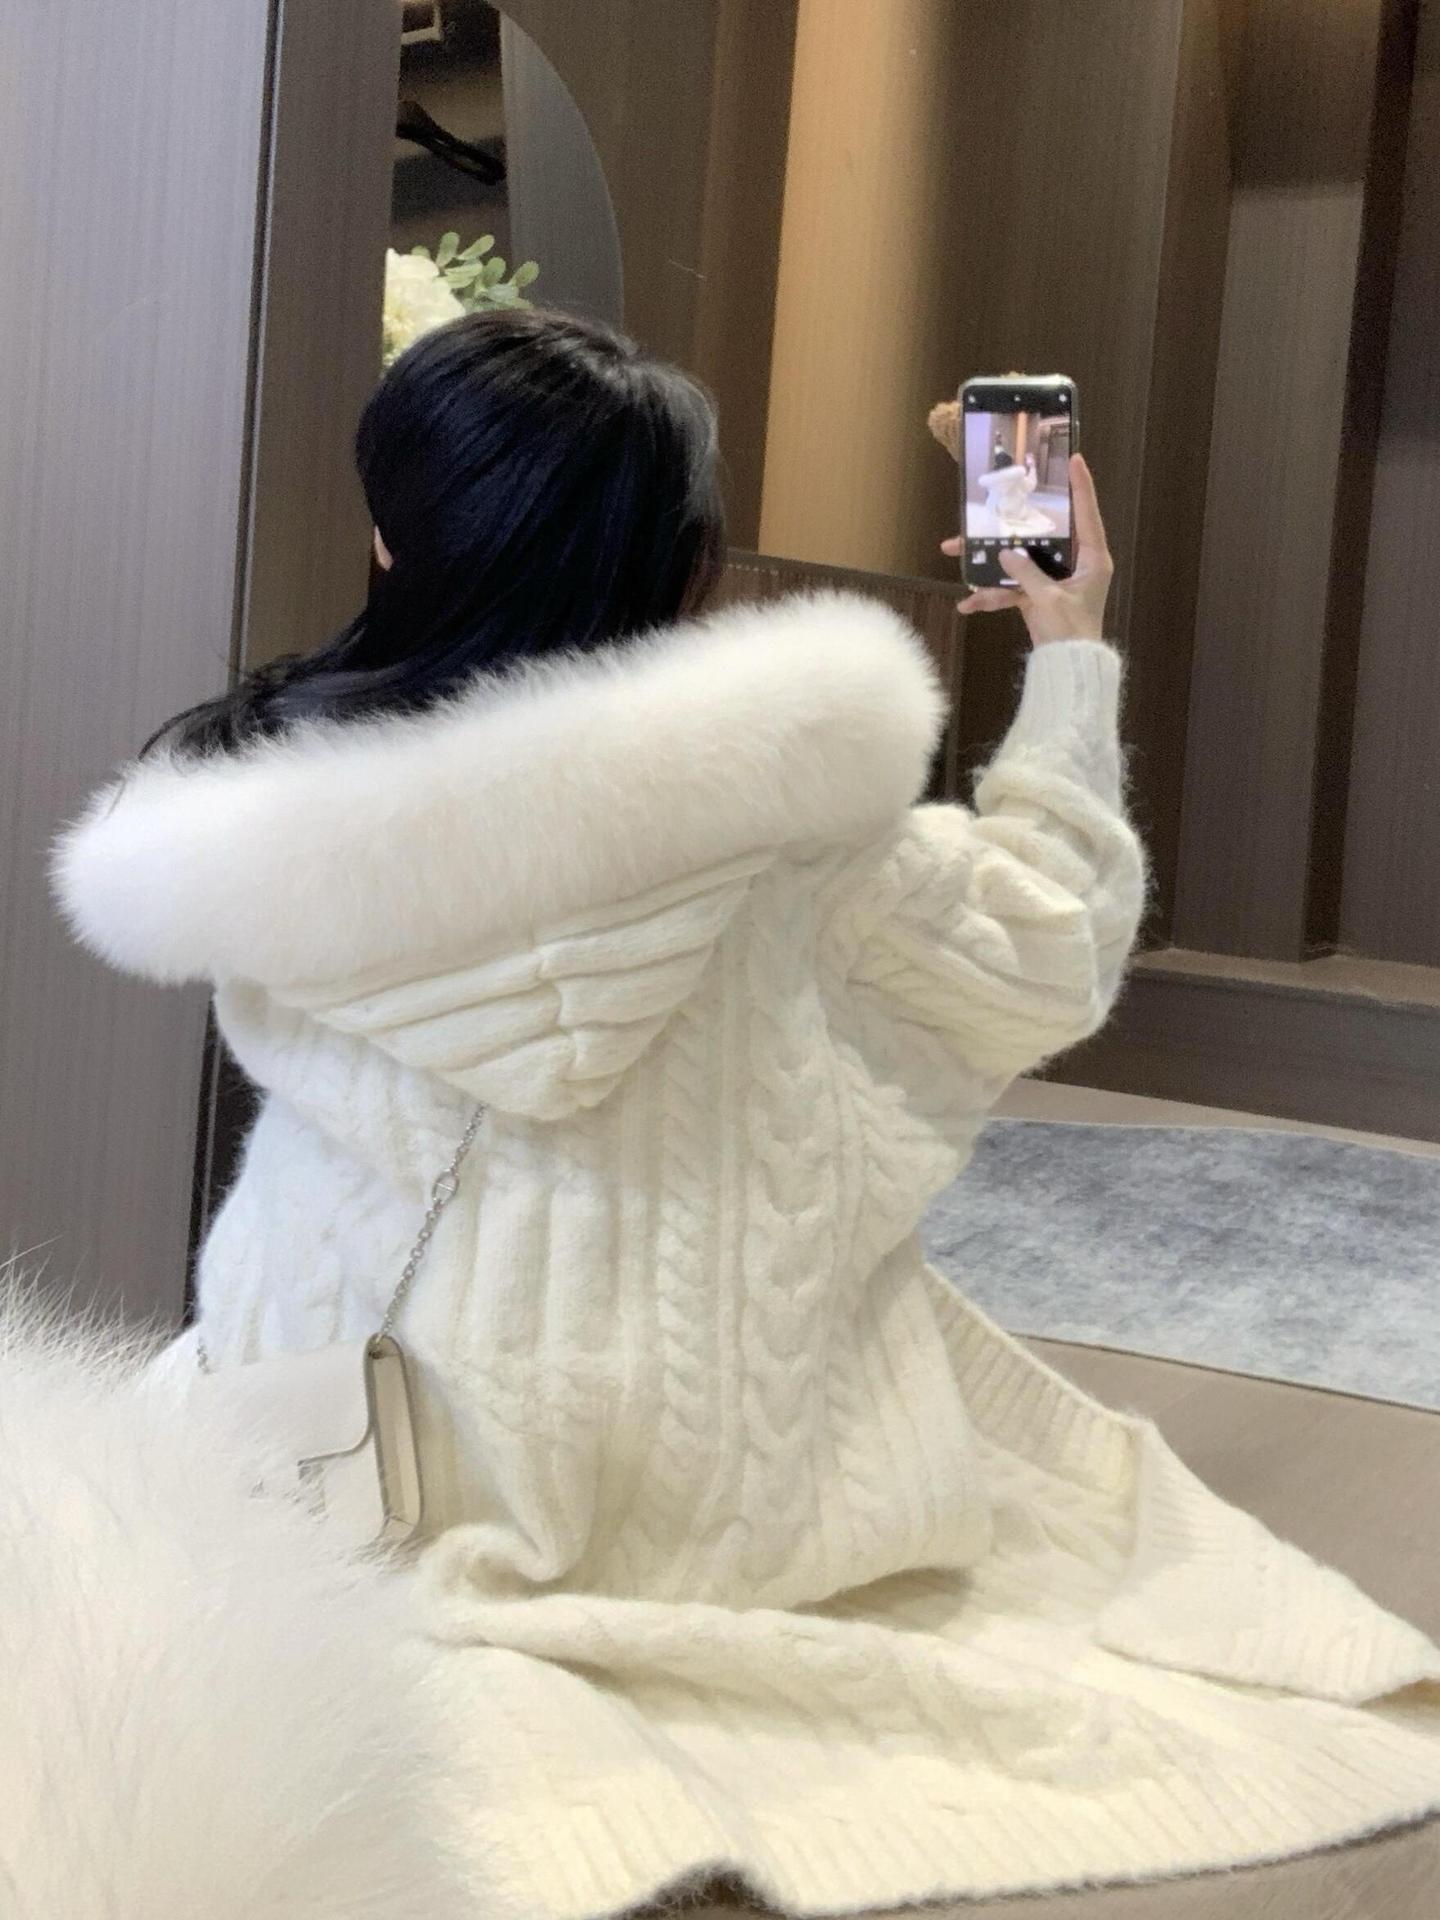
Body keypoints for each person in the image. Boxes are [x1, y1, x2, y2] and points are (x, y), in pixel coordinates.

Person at [52, 310, 1440, 1915]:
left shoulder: (240, 811)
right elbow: (1048, 939)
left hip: (337, 1434)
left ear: (389, 533)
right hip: (714, 1469)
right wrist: (1069, 639)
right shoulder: (790, 821)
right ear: (691, 565)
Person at [977, 441, 1055, 536]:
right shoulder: (1019, 477)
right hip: (1016, 513)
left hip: (997, 513)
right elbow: (1031, 486)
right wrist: (1032, 467)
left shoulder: (993, 479)